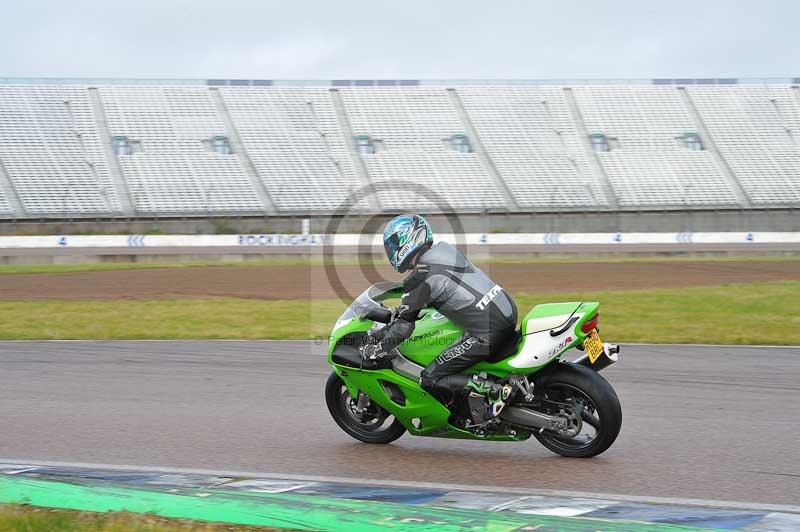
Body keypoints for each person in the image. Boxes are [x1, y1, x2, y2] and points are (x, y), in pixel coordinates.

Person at [364, 214, 518, 418]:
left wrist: (377, 349)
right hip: (507, 311)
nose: (391, 251)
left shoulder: (419, 275)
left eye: (393, 244)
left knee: (430, 378)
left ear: (407, 239)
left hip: (487, 333)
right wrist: (389, 324)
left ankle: (495, 391)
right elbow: (436, 297)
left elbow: (404, 327)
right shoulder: (445, 251)